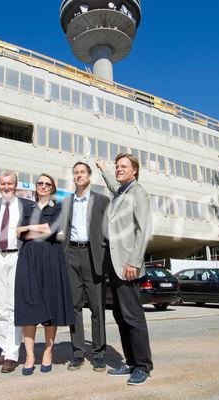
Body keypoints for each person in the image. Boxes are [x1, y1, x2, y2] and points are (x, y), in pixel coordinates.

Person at [95, 154, 153, 386]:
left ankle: (143, 366)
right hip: (114, 262)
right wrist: (102, 168)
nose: (118, 169)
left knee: (133, 316)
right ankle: (130, 361)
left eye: (123, 167)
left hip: (128, 264)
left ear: (135, 171)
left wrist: (135, 262)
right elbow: (112, 182)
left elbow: (144, 229)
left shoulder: (138, 193)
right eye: (117, 166)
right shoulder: (121, 192)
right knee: (120, 315)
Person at [14, 173, 75, 375]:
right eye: (40, 183)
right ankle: (30, 356)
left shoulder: (58, 207)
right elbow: (22, 234)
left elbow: (51, 230)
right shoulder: (26, 208)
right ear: (36, 187)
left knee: (51, 305)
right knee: (28, 307)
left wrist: (29, 227)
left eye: (47, 184)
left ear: (53, 188)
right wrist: (35, 231)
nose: (43, 186)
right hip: (29, 259)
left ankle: (48, 351)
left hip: (51, 259)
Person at [62, 162, 110, 372]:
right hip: (71, 253)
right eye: (76, 173)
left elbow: (109, 231)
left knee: (97, 307)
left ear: (89, 176)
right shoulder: (66, 202)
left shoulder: (101, 200)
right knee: (74, 307)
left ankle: (99, 353)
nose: (79, 175)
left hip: (93, 255)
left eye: (82, 172)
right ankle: (78, 353)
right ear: (73, 177)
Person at [0, 170, 33, 373]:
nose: (6, 187)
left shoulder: (27, 206)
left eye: (10, 183)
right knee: (1, 308)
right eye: (3, 184)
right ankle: (4, 350)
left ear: (16, 184)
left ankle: (13, 355)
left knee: (13, 307)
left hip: (16, 258)